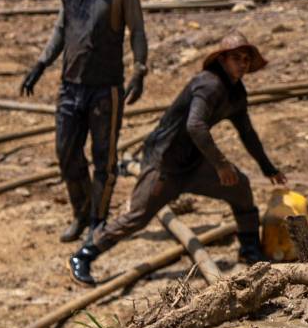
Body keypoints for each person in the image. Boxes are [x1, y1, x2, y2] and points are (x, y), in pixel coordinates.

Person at [68, 33, 284, 285]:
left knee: (240, 187)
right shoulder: (209, 84)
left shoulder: (236, 92)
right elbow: (195, 126)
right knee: (136, 217)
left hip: (194, 162)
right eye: (236, 58)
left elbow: (247, 133)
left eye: (246, 60)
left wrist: (268, 168)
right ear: (222, 59)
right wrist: (222, 164)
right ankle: (83, 255)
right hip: (164, 162)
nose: (242, 64)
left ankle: (250, 250)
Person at [20, 0, 150, 242]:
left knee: (104, 158)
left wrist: (139, 69)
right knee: (66, 153)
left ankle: (97, 221)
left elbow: (138, 31)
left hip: (106, 89)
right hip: (70, 87)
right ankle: (81, 211)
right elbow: (61, 31)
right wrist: (40, 65)